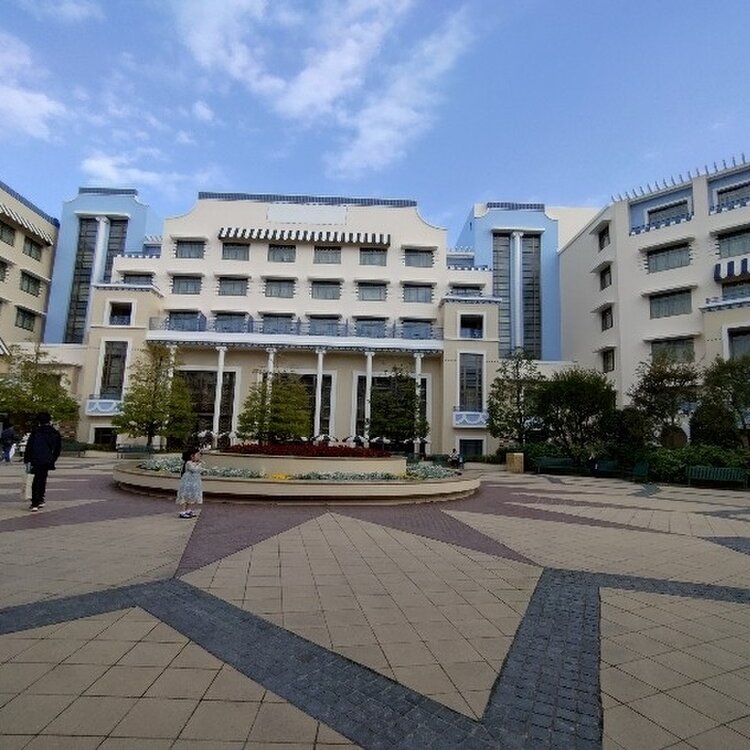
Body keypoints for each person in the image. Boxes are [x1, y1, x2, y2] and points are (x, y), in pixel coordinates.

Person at [23, 412, 62, 511]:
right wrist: (53, 458)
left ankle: (35, 502)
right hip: (47, 459)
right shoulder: (55, 433)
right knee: (43, 478)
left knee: (35, 480)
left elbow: (29, 447)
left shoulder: (36, 432)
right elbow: (58, 449)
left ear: (39, 421)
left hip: (35, 459)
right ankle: (41, 499)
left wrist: (27, 460)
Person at [176, 448, 203, 518]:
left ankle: (188, 510)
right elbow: (194, 469)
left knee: (191, 496)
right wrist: (199, 464)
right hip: (187, 483)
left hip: (194, 483)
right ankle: (183, 511)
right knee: (185, 496)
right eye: (197, 455)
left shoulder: (196, 463)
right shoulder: (188, 463)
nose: (199, 456)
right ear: (192, 456)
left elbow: (200, 470)